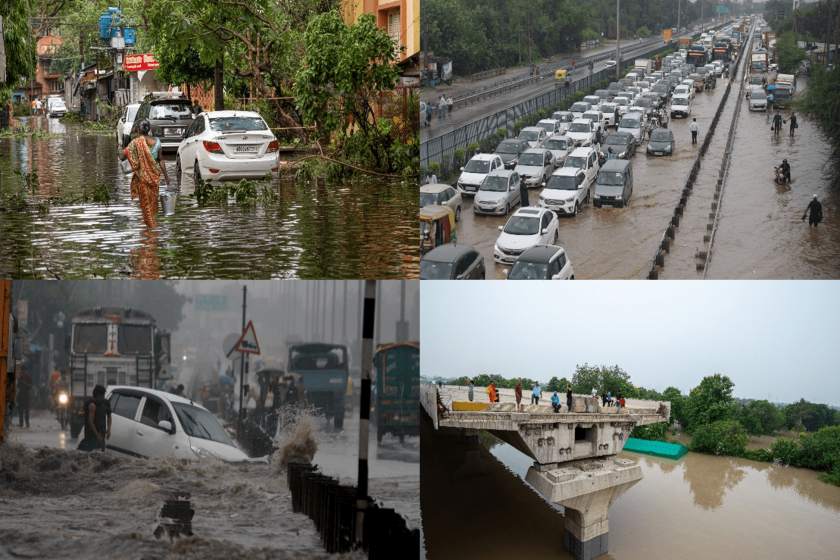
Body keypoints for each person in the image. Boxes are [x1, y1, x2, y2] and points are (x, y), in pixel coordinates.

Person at [118, 118, 170, 229]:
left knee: (145, 204)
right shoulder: (157, 141)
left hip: (143, 180)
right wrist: (166, 175)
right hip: (155, 177)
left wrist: (119, 149)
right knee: (153, 202)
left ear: (138, 131)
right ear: (150, 129)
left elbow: (122, 156)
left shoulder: (136, 143)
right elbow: (161, 159)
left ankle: (150, 230)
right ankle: (152, 227)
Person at [77, 385, 111, 452]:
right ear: (98, 395)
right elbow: (89, 421)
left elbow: (109, 416)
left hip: (101, 436)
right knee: (92, 455)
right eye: (103, 395)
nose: (103, 397)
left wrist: (109, 429)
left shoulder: (105, 403)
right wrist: (97, 435)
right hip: (91, 437)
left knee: (99, 457)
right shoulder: (90, 404)